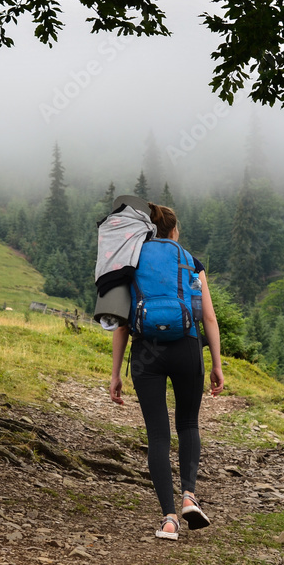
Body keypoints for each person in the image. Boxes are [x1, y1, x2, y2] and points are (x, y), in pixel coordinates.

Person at [109, 203, 225, 540]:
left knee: (158, 435)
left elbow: (120, 325)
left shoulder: (132, 261)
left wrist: (115, 373)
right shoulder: (190, 261)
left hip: (146, 352)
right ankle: (189, 495)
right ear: (174, 232)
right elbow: (210, 318)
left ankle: (169, 520)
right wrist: (216, 364)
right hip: (187, 346)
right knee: (188, 424)